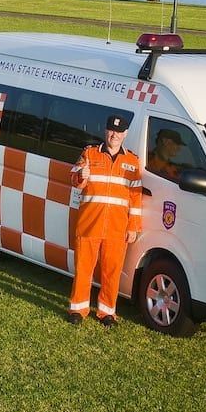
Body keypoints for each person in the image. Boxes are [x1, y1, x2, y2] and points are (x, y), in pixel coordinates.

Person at [68, 114, 142, 327]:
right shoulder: (90, 153)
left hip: (117, 229)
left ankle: (107, 313)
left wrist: (134, 226)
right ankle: (77, 309)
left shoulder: (132, 162)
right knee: (83, 269)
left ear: (125, 134)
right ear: (105, 131)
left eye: (119, 132)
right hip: (90, 223)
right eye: (111, 130)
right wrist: (82, 174)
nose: (114, 135)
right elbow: (74, 180)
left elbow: (135, 198)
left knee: (112, 272)